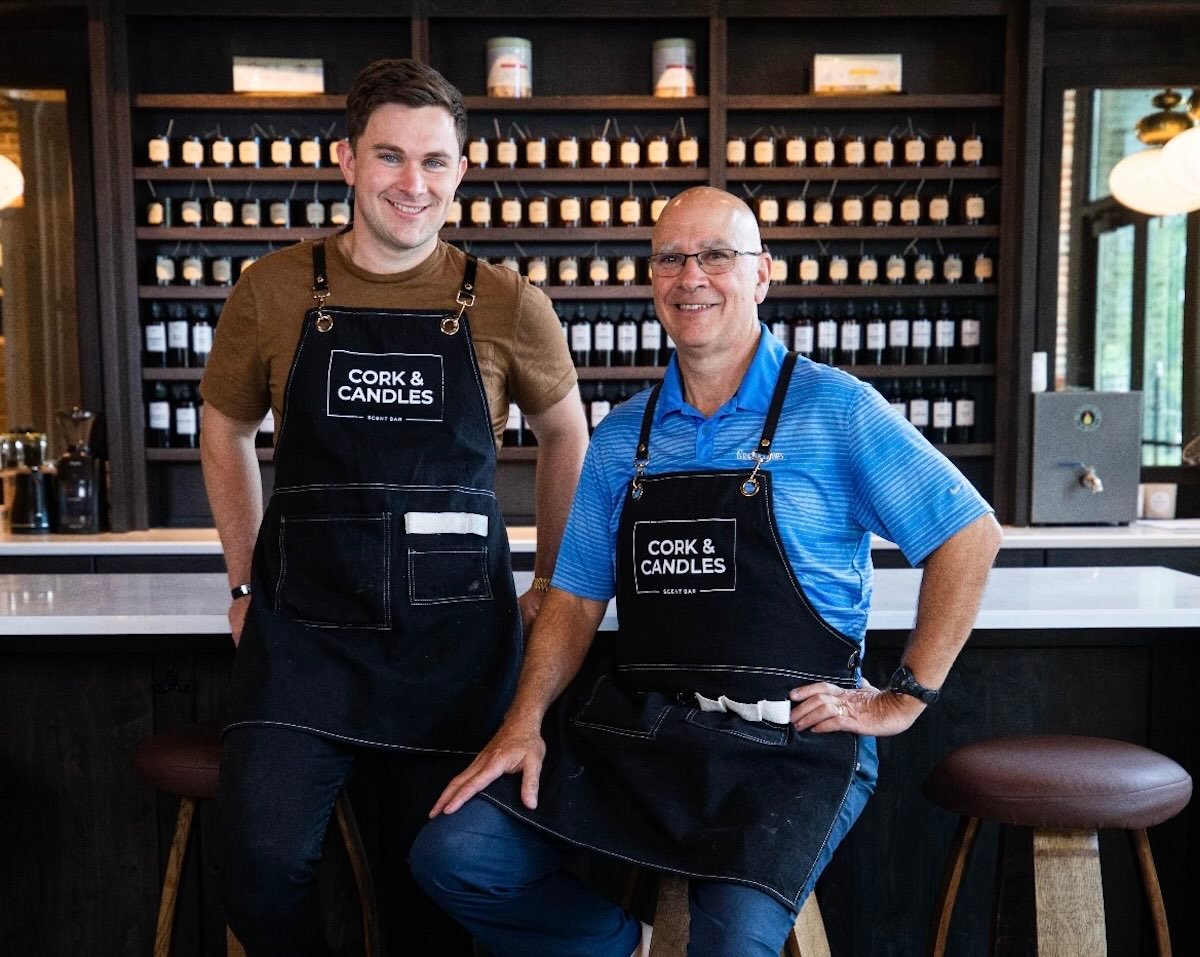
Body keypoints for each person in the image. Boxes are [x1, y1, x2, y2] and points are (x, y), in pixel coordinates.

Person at [409, 186, 1003, 957]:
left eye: (716, 255)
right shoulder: (623, 438)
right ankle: (630, 947)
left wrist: (902, 697)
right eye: (671, 258)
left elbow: (969, 533)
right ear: (652, 278)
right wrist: (522, 722)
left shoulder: (836, 410)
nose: (692, 276)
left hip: (784, 750)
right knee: (456, 857)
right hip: (644, 732)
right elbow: (575, 601)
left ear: (761, 274)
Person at [198, 58, 588, 956]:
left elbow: (568, 435)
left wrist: (548, 580)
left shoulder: (506, 303)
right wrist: (243, 580)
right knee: (257, 868)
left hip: (451, 650)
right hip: (303, 640)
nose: (414, 183)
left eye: (435, 161)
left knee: (431, 891)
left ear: (461, 169)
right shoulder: (274, 289)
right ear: (345, 159)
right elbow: (224, 430)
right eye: (389, 157)